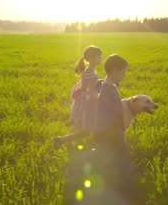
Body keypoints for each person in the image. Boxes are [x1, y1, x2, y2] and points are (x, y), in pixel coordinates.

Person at [91, 54, 142, 204]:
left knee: (111, 158)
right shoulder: (109, 90)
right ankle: (124, 187)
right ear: (114, 70)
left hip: (107, 133)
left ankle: (112, 182)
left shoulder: (110, 86)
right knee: (122, 158)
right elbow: (110, 115)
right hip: (111, 133)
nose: (125, 75)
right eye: (123, 72)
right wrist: (118, 132)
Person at [54, 46, 103, 148]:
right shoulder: (89, 72)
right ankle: (62, 140)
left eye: (100, 56)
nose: (101, 59)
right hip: (88, 103)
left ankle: (62, 140)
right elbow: (89, 89)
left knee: (87, 129)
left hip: (89, 101)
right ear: (90, 58)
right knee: (87, 129)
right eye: (98, 56)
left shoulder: (90, 71)